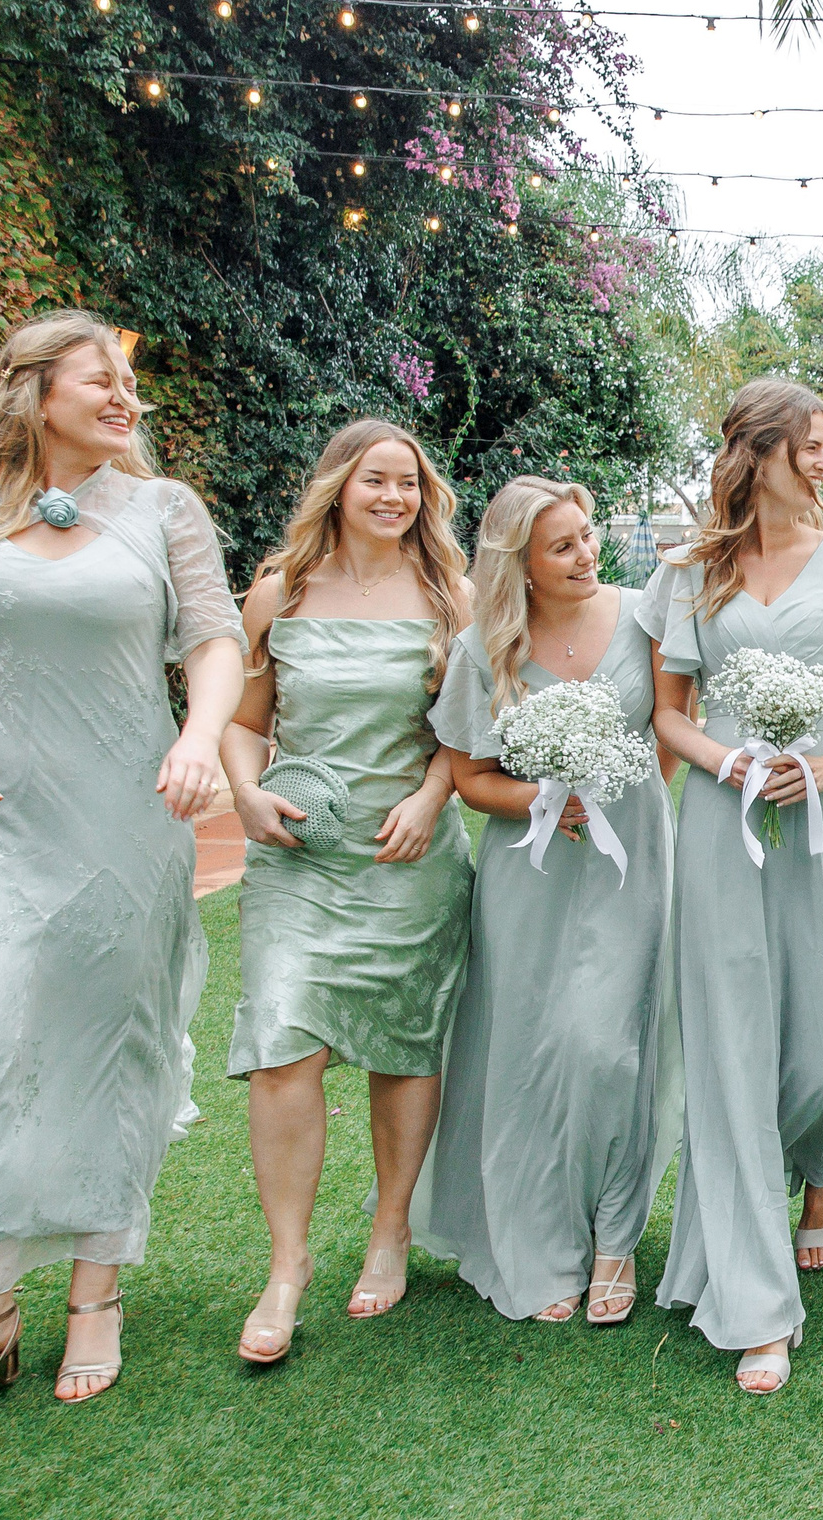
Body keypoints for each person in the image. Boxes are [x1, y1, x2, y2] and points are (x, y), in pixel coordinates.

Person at [0, 310, 247, 1434]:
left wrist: (198, 735)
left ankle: (93, 1289)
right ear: (34, 392)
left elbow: (213, 640)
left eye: (130, 385)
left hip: (127, 816)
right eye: (101, 382)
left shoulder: (165, 510)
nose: (127, 400)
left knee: (102, 1051)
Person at [641, 377, 823, 1394]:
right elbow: (669, 713)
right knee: (729, 1047)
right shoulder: (692, 575)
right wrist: (730, 764)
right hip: (724, 820)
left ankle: (819, 1165)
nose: (822, 463)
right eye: (807, 445)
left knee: (818, 1053)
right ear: (755, 451)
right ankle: (755, 1299)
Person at [221, 420, 474, 1363]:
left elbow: (471, 725)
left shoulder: (452, 594)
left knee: (405, 1046)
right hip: (298, 856)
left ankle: (390, 1228)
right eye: (376, 480)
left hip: (407, 854)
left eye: (408, 483)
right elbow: (247, 721)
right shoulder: (278, 592)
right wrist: (245, 791)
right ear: (338, 485)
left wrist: (430, 794)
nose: (394, 498)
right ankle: (286, 1268)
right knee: (283, 1043)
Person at [413, 476, 679, 1325]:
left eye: (589, 535)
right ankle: (544, 1239)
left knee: (609, 1046)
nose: (587, 554)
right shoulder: (481, 650)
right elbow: (466, 778)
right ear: (519, 564)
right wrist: (543, 802)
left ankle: (613, 1236)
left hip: (633, 860)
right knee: (530, 1052)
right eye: (563, 546)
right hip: (527, 875)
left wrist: (636, 810)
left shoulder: (645, 617)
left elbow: (670, 732)